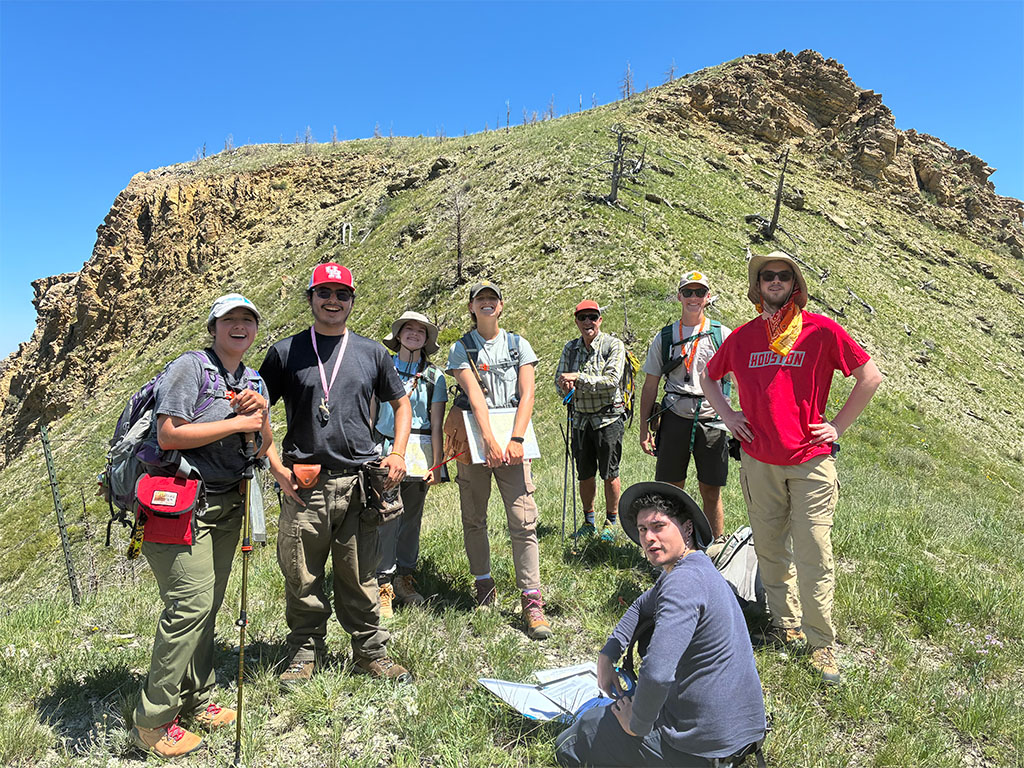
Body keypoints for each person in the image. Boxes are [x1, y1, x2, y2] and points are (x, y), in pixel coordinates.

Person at [701, 251, 881, 684]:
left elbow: (869, 375)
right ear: (757, 285)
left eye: (783, 276)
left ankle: (822, 645)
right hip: (759, 460)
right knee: (769, 548)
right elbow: (709, 377)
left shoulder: (820, 330)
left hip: (810, 462)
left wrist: (836, 426)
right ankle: (786, 626)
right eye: (767, 276)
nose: (775, 281)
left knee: (814, 552)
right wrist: (728, 416)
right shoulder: (743, 337)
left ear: (795, 284)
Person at [131, 294, 273, 758]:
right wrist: (235, 424)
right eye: (229, 319)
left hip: (228, 506)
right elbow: (169, 433)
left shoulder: (253, 379)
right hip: (179, 506)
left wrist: (261, 415)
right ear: (213, 328)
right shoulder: (190, 368)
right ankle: (152, 721)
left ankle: (197, 696)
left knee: (208, 605)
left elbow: (264, 442)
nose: (239, 327)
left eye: (247, 320)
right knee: (188, 606)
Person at [260, 262, 413, 687]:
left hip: (359, 483)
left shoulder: (371, 352)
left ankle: (371, 653)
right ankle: (304, 651)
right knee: (301, 573)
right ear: (310, 299)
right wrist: (276, 468)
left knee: (361, 574)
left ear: (351, 301)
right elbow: (257, 413)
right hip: (303, 485)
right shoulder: (285, 353)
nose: (332, 301)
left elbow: (402, 405)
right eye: (324, 293)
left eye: (341, 294)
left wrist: (398, 451)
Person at [554, 481, 766, 767]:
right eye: (643, 530)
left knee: (573, 740)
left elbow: (656, 673)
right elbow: (643, 604)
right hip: (741, 735)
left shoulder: (683, 582)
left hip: (704, 748)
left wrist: (637, 724)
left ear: (687, 528)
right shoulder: (695, 567)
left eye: (659, 526)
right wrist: (609, 652)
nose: (649, 538)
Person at [446, 280, 552, 639]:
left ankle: (531, 598)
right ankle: (483, 585)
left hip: (514, 440)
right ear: (472, 307)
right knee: (474, 517)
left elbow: (528, 394)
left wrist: (517, 438)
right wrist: (489, 441)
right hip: (476, 439)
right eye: (481, 299)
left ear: (501, 306)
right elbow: (474, 396)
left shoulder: (518, 344)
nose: (487, 303)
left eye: (493, 299)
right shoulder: (461, 349)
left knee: (523, 520)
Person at [638, 270, 732, 545]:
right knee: (670, 489)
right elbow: (650, 385)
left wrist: (740, 419)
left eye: (699, 292)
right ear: (679, 296)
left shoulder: (720, 334)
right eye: (688, 292)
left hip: (712, 420)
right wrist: (644, 429)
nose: (694, 298)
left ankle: (716, 547)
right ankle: (670, 546)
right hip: (674, 417)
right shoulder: (664, 337)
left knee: (711, 490)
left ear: (708, 297)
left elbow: (739, 379)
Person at [373, 310, 447, 617]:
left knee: (411, 518)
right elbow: (371, 411)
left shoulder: (435, 376)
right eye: (409, 329)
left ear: (427, 339)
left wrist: (438, 464)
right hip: (385, 446)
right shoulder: (382, 367)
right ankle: (382, 583)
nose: (414, 333)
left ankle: (404, 576)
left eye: (421, 330)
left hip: (421, 451)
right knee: (385, 516)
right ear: (399, 335)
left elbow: (437, 421)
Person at [555, 300, 627, 541]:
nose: (588, 322)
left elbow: (612, 381)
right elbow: (559, 380)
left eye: (592, 317)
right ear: (576, 321)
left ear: (600, 320)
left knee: (610, 472)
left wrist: (578, 379)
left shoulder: (613, 345)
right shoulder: (570, 348)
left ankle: (611, 521)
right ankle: (589, 521)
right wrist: (565, 386)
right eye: (583, 317)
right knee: (584, 473)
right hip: (580, 421)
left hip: (608, 419)